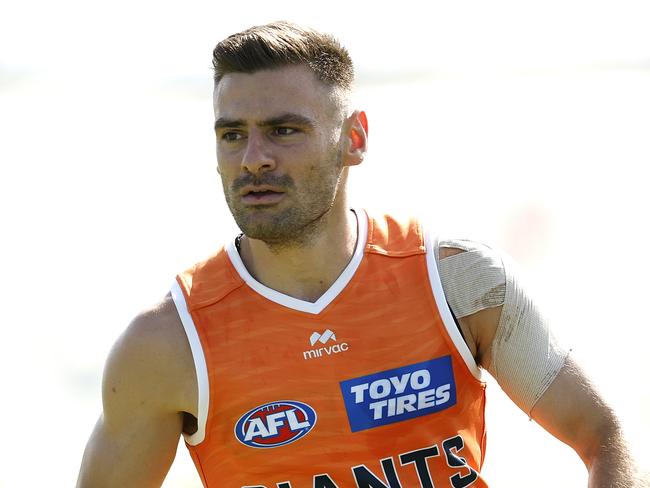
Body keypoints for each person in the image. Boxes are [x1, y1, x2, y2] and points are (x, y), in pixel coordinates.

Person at [77, 21, 646, 488]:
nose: (253, 159)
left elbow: (601, 436)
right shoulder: (167, 343)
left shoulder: (458, 280)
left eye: (283, 131)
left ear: (354, 139)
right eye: (232, 135)